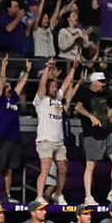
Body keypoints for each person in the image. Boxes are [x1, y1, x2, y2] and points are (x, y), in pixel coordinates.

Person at [75, 70, 112, 205]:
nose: (103, 85)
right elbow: (78, 108)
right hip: (92, 134)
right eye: (101, 82)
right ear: (94, 82)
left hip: (106, 132)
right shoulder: (85, 93)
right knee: (90, 165)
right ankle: (88, 197)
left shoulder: (106, 93)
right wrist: (91, 116)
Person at [32, 60, 75, 205]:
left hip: (59, 141)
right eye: (52, 86)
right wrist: (48, 68)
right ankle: (39, 196)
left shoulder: (58, 101)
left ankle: (58, 194)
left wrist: (74, 67)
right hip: (45, 140)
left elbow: (67, 82)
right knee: (46, 167)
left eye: (55, 86)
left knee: (63, 169)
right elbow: (42, 84)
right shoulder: (41, 101)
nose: (54, 88)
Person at [0, 57, 30, 202]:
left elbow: (21, 84)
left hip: (14, 138)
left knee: (10, 168)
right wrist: (4, 66)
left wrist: (27, 71)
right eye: (6, 87)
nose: (9, 88)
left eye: (9, 87)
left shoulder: (13, 99)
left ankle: (6, 194)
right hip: (2, 138)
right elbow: (1, 80)